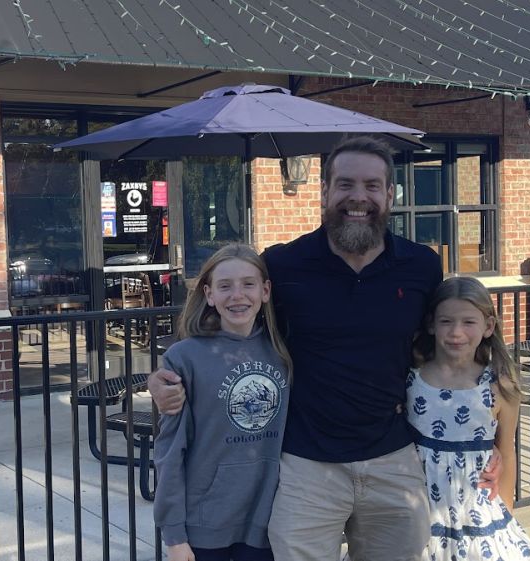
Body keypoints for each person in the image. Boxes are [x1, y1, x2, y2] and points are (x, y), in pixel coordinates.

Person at [149, 135, 500, 561]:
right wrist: (165, 377)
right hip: (305, 466)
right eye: (346, 184)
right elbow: (233, 330)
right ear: (326, 191)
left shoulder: (421, 265)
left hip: (392, 458)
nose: (359, 197)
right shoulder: (284, 264)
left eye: (372, 186)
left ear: (390, 194)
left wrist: (486, 433)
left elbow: (450, 348)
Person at [153, 243, 292, 561]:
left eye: (248, 284)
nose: (237, 295)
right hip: (205, 525)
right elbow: (170, 452)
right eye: (225, 286)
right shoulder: (184, 357)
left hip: (267, 523)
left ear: (265, 290)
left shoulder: (284, 352)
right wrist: (174, 534)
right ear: (209, 294)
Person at [407, 276, 530, 560]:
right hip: (419, 515)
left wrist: (505, 515)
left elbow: (506, 450)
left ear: (488, 326)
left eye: (468, 322)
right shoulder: (410, 379)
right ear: (432, 324)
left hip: (479, 514)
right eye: (446, 321)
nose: (456, 332)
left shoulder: (499, 385)